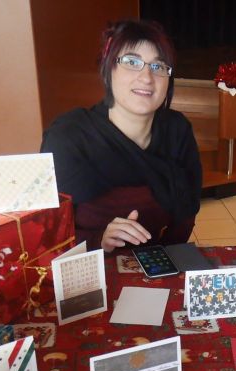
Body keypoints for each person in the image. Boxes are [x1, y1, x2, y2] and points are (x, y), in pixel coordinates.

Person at [41, 20, 202, 252]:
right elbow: (49, 233)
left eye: (158, 67)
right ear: (108, 69)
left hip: (159, 264)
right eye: (132, 62)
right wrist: (99, 241)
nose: (147, 77)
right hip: (90, 271)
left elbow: (186, 213)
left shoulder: (177, 131)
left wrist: (162, 265)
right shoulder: (69, 137)